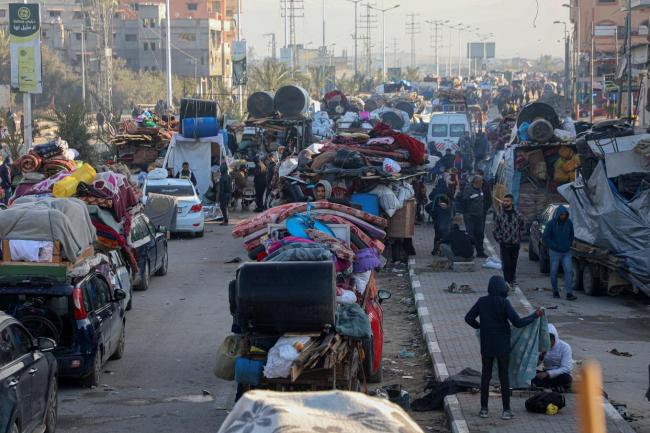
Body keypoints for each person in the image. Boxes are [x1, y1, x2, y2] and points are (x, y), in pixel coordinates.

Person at [465, 276, 543, 420]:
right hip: (502, 346)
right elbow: (518, 323)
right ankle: (506, 410)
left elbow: (468, 318)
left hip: (487, 344)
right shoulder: (504, 303)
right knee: (504, 378)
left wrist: (480, 327)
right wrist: (534, 316)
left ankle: (483, 410)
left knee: (485, 377)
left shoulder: (482, 301)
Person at [542, 205, 577, 301]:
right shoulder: (551, 224)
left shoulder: (569, 223)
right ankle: (555, 291)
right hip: (555, 252)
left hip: (566, 251)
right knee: (553, 272)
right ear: (558, 214)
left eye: (565, 214)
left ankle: (569, 293)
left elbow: (572, 235)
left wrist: (569, 244)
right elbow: (545, 238)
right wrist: (554, 246)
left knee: (569, 271)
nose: (563, 216)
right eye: (562, 214)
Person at [493, 194, 525, 287]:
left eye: (507, 201)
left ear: (512, 202)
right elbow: (495, 229)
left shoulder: (518, 214)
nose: (505, 203)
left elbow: (523, 227)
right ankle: (506, 282)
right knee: (506, 264)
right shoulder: (500, 215)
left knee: (513, 263)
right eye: (504, 201)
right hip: (504, 244)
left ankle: (512, 280)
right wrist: (500, 239)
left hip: (515, 244)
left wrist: (519, 237)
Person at [532, 324, 573, 391]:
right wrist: (541, 357)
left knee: (566, 378)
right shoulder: (543, 346)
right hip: (546, 373)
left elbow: (566, 368)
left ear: (555, 338)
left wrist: (548, 373)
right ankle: (554, 387)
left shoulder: (565, 347)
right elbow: (534, 365)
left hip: (559, 374)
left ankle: (548, 386)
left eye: (550, 340)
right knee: (532, 374)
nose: (548, 343)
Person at [461, 175, 487, 258]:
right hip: (470, 217)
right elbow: (464, 202)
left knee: (480, 235)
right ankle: (469, 253)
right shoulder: (468, 190)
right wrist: (467, 214)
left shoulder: (480, 189)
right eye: (481, 181)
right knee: (470, 236)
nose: (482, 183)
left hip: (479, 217)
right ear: (477, 182)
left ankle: (480, 252)